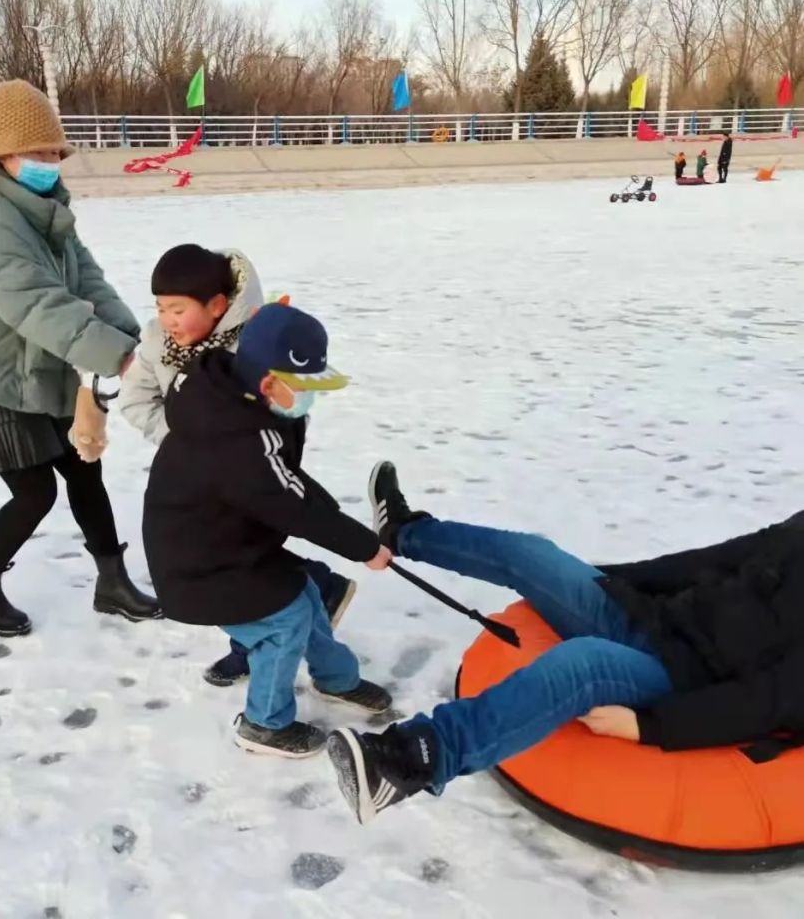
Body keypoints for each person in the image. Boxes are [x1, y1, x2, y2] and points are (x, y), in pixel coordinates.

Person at [326, 461, 804, 823]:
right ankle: (404, 532)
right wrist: (612, 581)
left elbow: (774, 699)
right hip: (655, 619)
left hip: (683, 678)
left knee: (583, 664)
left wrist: (652, 725)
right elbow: (719, 560)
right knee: (535, 556)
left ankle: (407, 764)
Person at [0, 79, 161, 638]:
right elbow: (40, 305)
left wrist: (139, 346)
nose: (50, 163)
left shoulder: (44, 212)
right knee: (36, 491)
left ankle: (112, 582)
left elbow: (88, 284)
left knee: (84, 467)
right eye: (37, 153)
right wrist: (121, 360)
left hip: (33, 369)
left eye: (56, 153)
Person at [142, 303, 393, 757]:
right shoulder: (238, 439)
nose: (309, 399)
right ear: (267, 383)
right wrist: (364, 546)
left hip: (228, 544)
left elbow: (284, 482)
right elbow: (289, 503)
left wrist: (337, 519)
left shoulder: (234, 403)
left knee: (304, 594)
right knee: (284, 622)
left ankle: (337, 680)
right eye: (303, 388)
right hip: (200, 567)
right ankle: (264, 724)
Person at [119, 244, 358, 686]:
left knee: (250, 552)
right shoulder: (158, 340)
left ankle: (273, 631)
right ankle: (304, 601)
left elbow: (296, 396)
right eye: (160, 308)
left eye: (177, 309)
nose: (169, 320)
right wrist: (189, 446)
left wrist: (234, 444)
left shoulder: (256, 335)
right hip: (202, 473)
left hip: (256, 461)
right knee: (229, 559)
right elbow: (136, 399)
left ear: (217, 305)